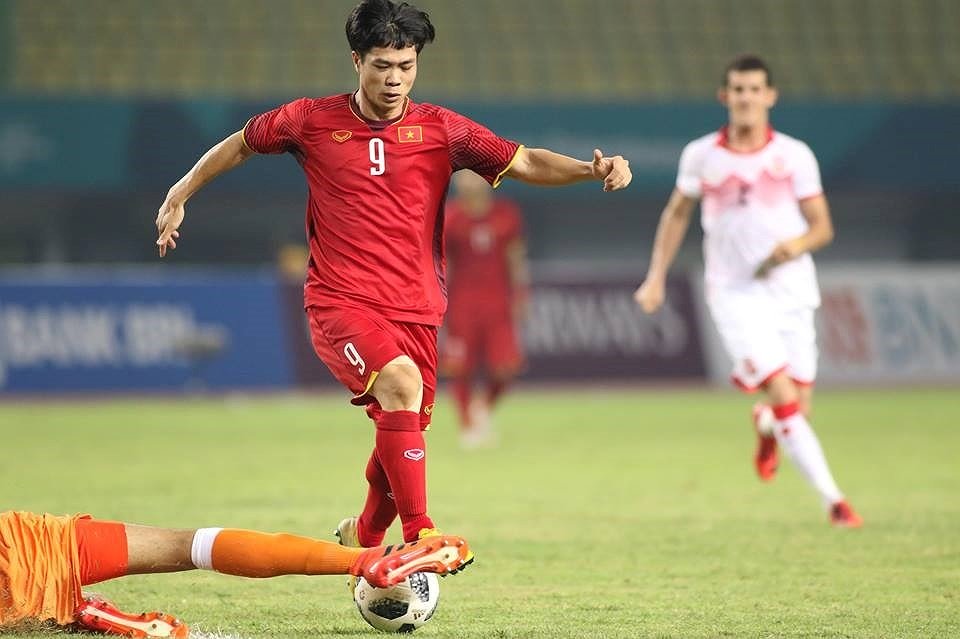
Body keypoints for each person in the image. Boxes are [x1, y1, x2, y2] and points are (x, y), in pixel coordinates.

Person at [154, 0, 631, 567]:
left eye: (406, 65)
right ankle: (421, 534)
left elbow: (523, 162)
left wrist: (589, 169)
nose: (394, 78)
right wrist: (180, 192)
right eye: (382, 64)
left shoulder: (441, 130)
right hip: (341, 302)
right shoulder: (311, 120)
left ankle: (364, 531)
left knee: (401, 425)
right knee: (400, 387)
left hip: (419, 310)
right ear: (356, 60)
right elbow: (240, 144)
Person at [633, 54, 862, 528]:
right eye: (738, 90)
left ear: (770, 96)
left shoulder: (794, 155)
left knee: (798, 407)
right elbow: (677, 213)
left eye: (755, 89)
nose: (746, 98)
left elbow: (821, 228)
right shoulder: (702, 155)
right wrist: (655, 276)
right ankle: (835, 502)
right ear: (725, 97)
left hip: (792, 289)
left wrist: (793, 245)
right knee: (784, 395)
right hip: (734, 292)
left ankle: (765, 425)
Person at [0, 510, 470, 638]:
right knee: (187, 545)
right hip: (19, 535)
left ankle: (87, 619)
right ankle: (361, 560)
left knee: (28, 610)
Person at [442, 170, 530, 448]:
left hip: (497, 303)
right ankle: (468, 426)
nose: (468, 182)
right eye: (463, 177)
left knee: (506, 367)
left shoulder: (506, 215)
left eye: (474, 176)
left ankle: (482, 408)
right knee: (460, 368)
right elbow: (443, 265)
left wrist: (521, 294)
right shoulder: (450, 218)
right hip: (462, 304)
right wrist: (439, 301)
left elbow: (515, 257)